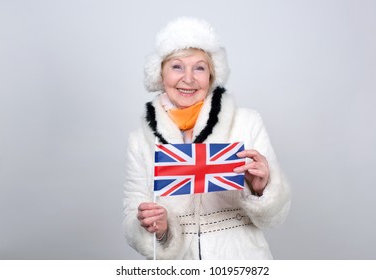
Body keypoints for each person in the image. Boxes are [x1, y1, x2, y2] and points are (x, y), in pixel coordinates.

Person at [123, 17, 291, 260]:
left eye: (199, 68)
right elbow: (133, 215)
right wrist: (158, 230)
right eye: (177, 66)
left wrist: (262, 188)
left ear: (211, 76)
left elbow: (275, 216)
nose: (188, 79)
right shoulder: (140, 141)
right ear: (161, 73)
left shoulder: (247, 122)